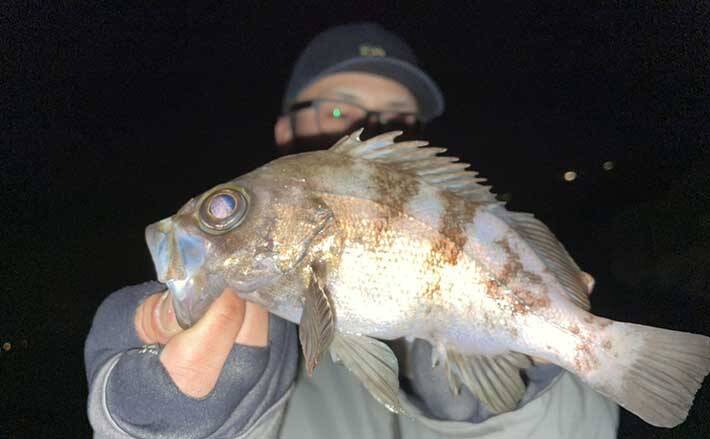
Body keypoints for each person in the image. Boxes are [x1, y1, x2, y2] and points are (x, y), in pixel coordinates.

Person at [85, 22, 619, 438]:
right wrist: (164, 426)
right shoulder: (263, 321)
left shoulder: (451, 218)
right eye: (337, 108)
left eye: (399, 116)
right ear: (284, 128)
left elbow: (589, 424)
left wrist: (521, 397)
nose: (367, 127)